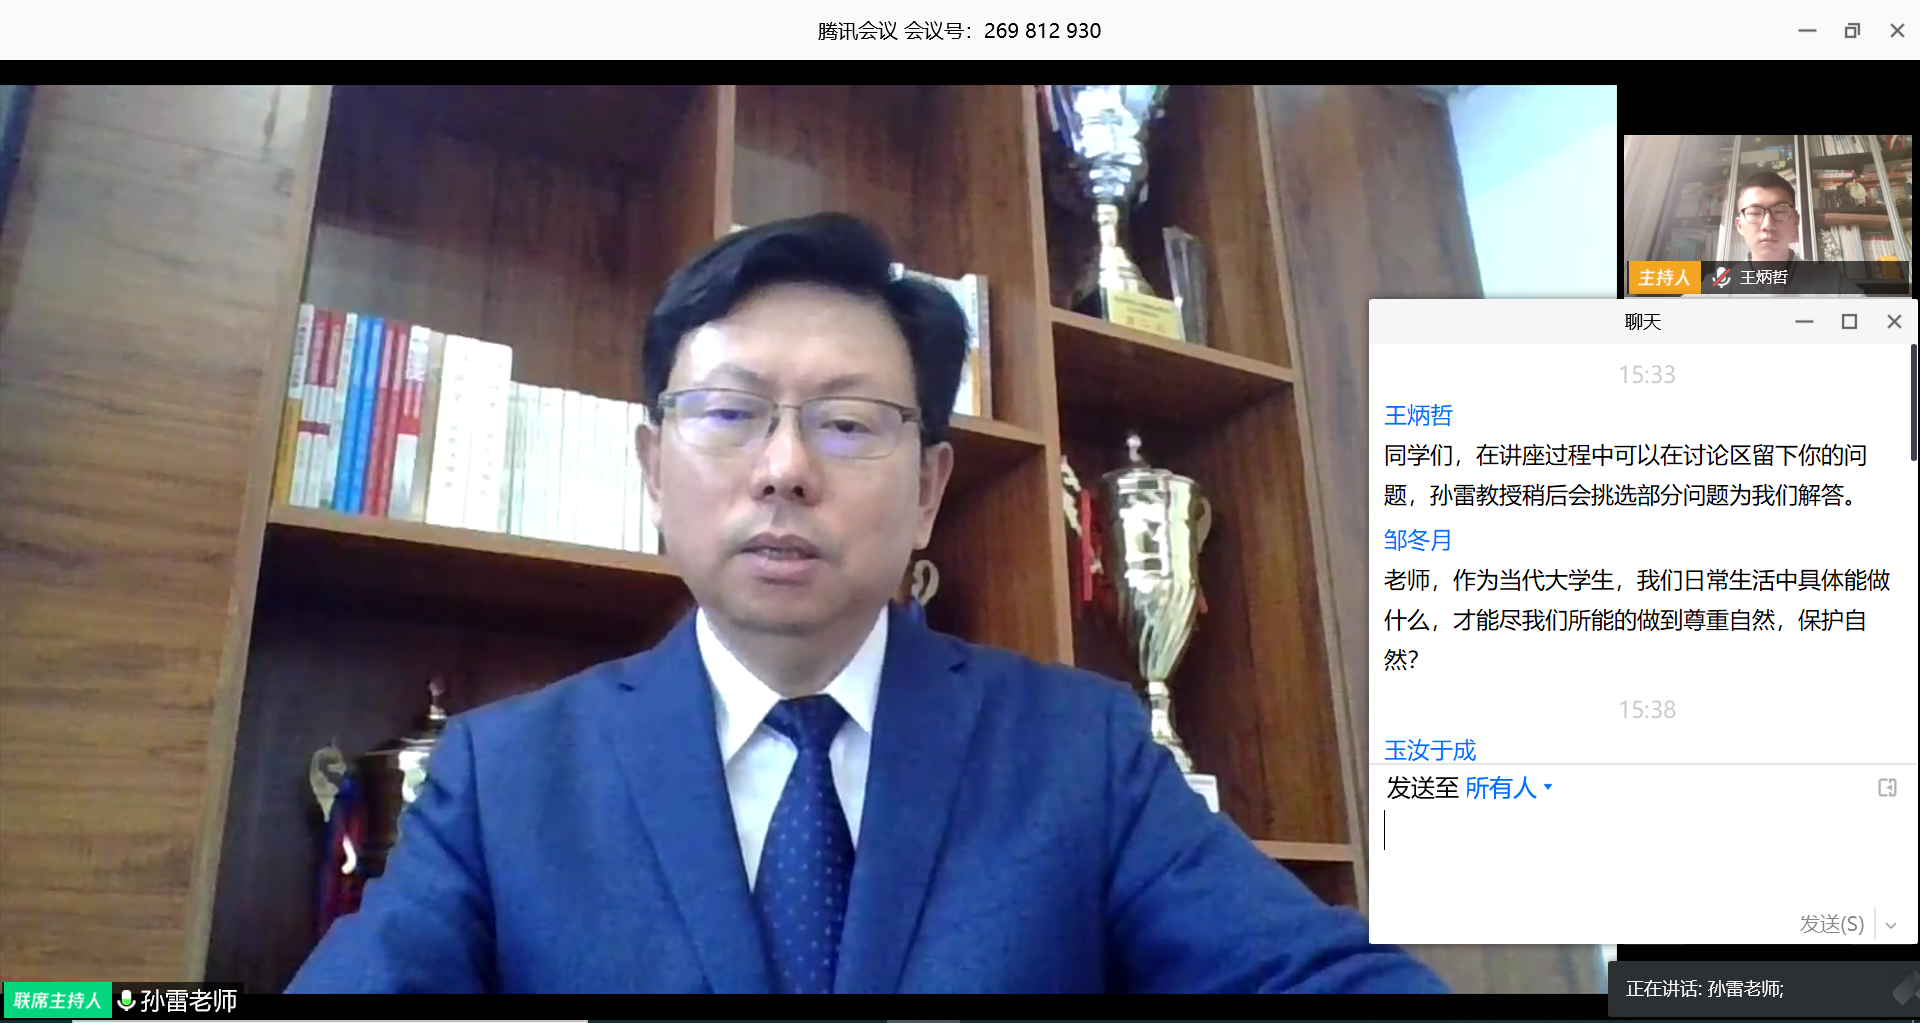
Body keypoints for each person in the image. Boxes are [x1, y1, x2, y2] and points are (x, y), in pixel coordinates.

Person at [284, 212, 1451, 995]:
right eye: (729, 413)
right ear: (652, 471)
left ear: (931, 490)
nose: (785, 469)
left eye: (847, 424)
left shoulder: (1080, 752)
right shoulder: (503, 774)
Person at [1690, 171, 1866, 297]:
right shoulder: (1712, 289)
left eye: (1780, 211)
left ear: (1795, 222)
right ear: (1740, 225)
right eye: (1754, 213)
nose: (1768, 225)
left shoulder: (1835, 286)